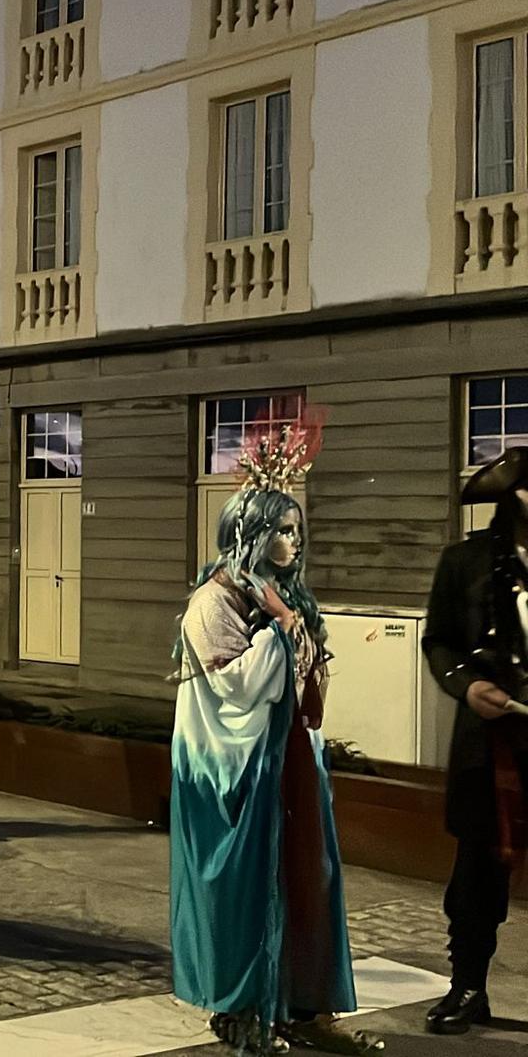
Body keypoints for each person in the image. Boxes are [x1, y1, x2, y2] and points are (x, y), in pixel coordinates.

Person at [170, 428, 381, 1056]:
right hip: (233, 770)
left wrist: (299, 635)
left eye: (296, 531)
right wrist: (283, 631)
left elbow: (307, 675)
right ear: (251, 533)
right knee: (239, 887)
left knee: (307, 878)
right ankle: (239, 1010)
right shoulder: (213, 602)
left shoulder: (287, 594)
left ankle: (304, 1006)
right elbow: (234, 688)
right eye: (282, 530)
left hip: (289, 759)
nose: (293, 542)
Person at [423, 447, 528, 1036]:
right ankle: (468, 988)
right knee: (477, 876)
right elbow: (438, 641)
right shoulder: (463, 563)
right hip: (493, 744)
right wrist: (467, 687)